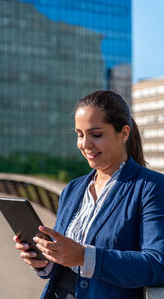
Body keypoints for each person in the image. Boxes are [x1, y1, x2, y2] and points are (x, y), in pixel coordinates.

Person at [14, 90, 164, 299]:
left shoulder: (152, 187)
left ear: (124, 133)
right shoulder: (73, 189)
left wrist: (85, 256)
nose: (85, 145)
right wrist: (44, 261)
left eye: (96, 134)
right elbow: (66, 262)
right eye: (80, 134)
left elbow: (157, 265)